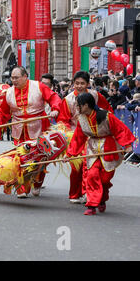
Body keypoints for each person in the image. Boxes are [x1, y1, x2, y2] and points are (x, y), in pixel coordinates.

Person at [0, 66, 61, 198]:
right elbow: (2, 112)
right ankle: (21, 188)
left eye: (16, 78)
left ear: (25, 77)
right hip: (19, 128)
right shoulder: (8, 93)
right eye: (12, 78)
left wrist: (55, 109)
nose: (13, 80)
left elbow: (54, 98)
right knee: (20, 158)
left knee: (40, 158)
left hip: (39, 125)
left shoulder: (39, 86)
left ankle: (37, 183)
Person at [66, 93, 135, 215]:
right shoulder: (81, 118)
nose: (77, 108)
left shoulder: (106, 116)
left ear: (86, 105)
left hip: (108, 148)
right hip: (92, 149)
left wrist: (128, 145)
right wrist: (70, 154)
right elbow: (78, 137)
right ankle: (92, 205)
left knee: (104, 179)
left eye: (78, 105)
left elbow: (120, 129)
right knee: (92, 176)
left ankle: (102, 199)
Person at [57, 71, 113, 204]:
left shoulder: (95, 96)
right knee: (76, 167)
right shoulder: (68, 99)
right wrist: (68, 134)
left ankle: (89, 193)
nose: (79, 86)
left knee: (91, 166)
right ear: (73, 84)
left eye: (82, 83)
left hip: (95, 137)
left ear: (88, 84)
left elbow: (107, 111)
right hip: (76, 136)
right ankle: (75, 193)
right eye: (77, 83)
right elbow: (63, 120)